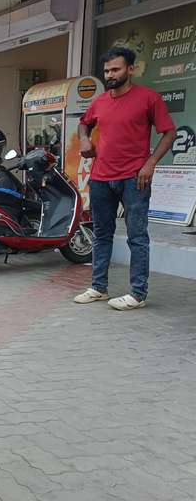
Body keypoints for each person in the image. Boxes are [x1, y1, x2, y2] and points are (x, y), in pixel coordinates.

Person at [73, 46, 175, 310]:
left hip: (134, 179)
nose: (110, 74)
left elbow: (169, 132)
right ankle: (98, 287)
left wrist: (150, 163)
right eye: (107, 70)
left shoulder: (149, 98)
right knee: (101, 234)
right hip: (100, 178)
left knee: (137, 237)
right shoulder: (100, 101)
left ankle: (138, 294)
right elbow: (84, 122)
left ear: (130, 69)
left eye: (116, 69)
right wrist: (84, 139)